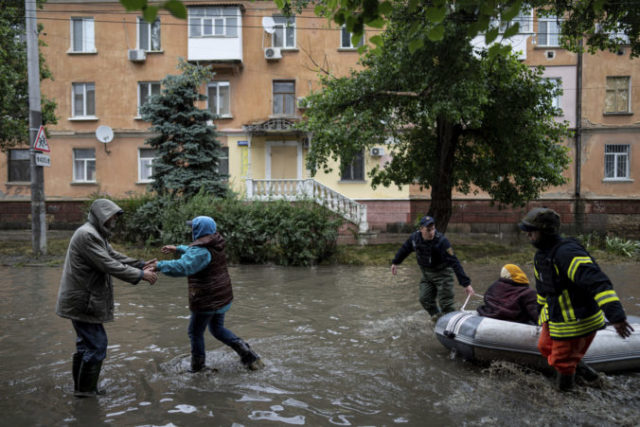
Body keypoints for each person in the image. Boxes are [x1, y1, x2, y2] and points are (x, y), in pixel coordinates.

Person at [519, 207, 634, 391]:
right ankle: (589, 376)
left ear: (546, 231)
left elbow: (598, 282)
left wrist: (616, 316)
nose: (528, 236)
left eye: (531, 231)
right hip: (556, 317)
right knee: (544, 346)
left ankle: (566, 396)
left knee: (561, 361)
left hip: (577, 320)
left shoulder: (567, 253)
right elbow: (543, 289)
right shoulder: (541, 256)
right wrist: (540, 313)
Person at [55, 198, 158, 398]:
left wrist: (140, 264)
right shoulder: (87, 235)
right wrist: (140, 275)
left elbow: (114, 256)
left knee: (86, 346)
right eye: (112, 215)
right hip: (83, 301)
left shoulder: (96, 234)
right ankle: (86, 393)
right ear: (101, 215)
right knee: (97, 345)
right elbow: (108, 264)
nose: (115, 220)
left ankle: (81, 390)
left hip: (83, 300)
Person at [150, 216, 264, 372]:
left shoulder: (201, 252)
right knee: (217, 329)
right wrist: (178, 248)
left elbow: (183, 266)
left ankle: (198, 367)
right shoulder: (215, 242)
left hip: (207, 300)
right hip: (221, 297)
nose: (191, 230)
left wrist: (159, 265)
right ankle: (248, 355)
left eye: (193, 228)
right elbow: (195, 252)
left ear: (198, 231)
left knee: (195, 332)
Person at [391, 215, 474, 321]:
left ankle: (453, 324)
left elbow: (455, 262)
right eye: (428, 230)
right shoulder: (414, 238)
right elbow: (405, 249)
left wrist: (466, 284)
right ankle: (438, 318)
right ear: (421, 229)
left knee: (446, 304)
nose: (431, 232)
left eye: (433, 229)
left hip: (443, 274)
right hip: (426, 275)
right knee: (424, 299)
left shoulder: (442, 241)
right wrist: (395, 262)